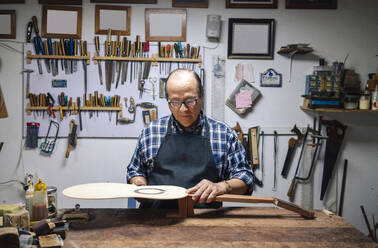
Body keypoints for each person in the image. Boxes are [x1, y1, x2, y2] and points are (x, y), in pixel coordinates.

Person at [127, 68, 254, 208]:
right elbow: (135, 170)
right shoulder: (150, 132)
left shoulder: (224, 134)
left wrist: (221, 186)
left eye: (189, 101)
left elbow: (246, 178)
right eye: (175, 102)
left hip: (205, 222)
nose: (183, 109)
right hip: (154, 221)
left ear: (202, 95)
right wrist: (138, 182)